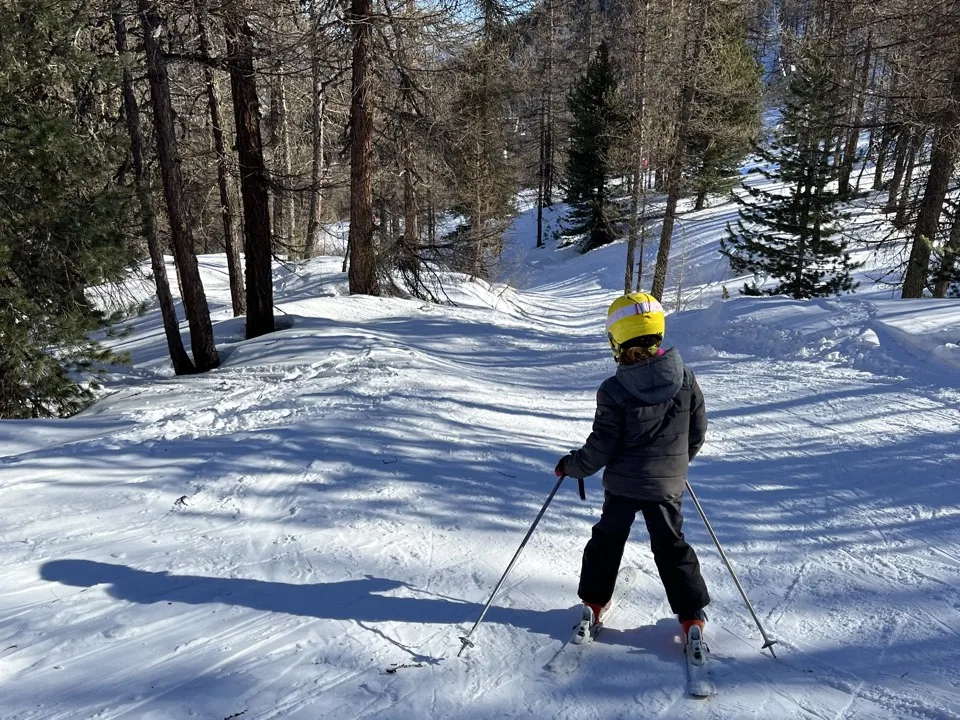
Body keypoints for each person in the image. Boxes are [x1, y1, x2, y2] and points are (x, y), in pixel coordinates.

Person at [555, 291, 710, 646]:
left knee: (607, 541)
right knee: (672, 546)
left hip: (623, 487)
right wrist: (675, 464)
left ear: (617, 338)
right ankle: (690, 617)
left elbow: (600, 448)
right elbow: (697, 433)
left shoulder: (614, 389)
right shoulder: (685, 378)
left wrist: (571, 466)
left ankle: (593, 603)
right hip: (667, 486)